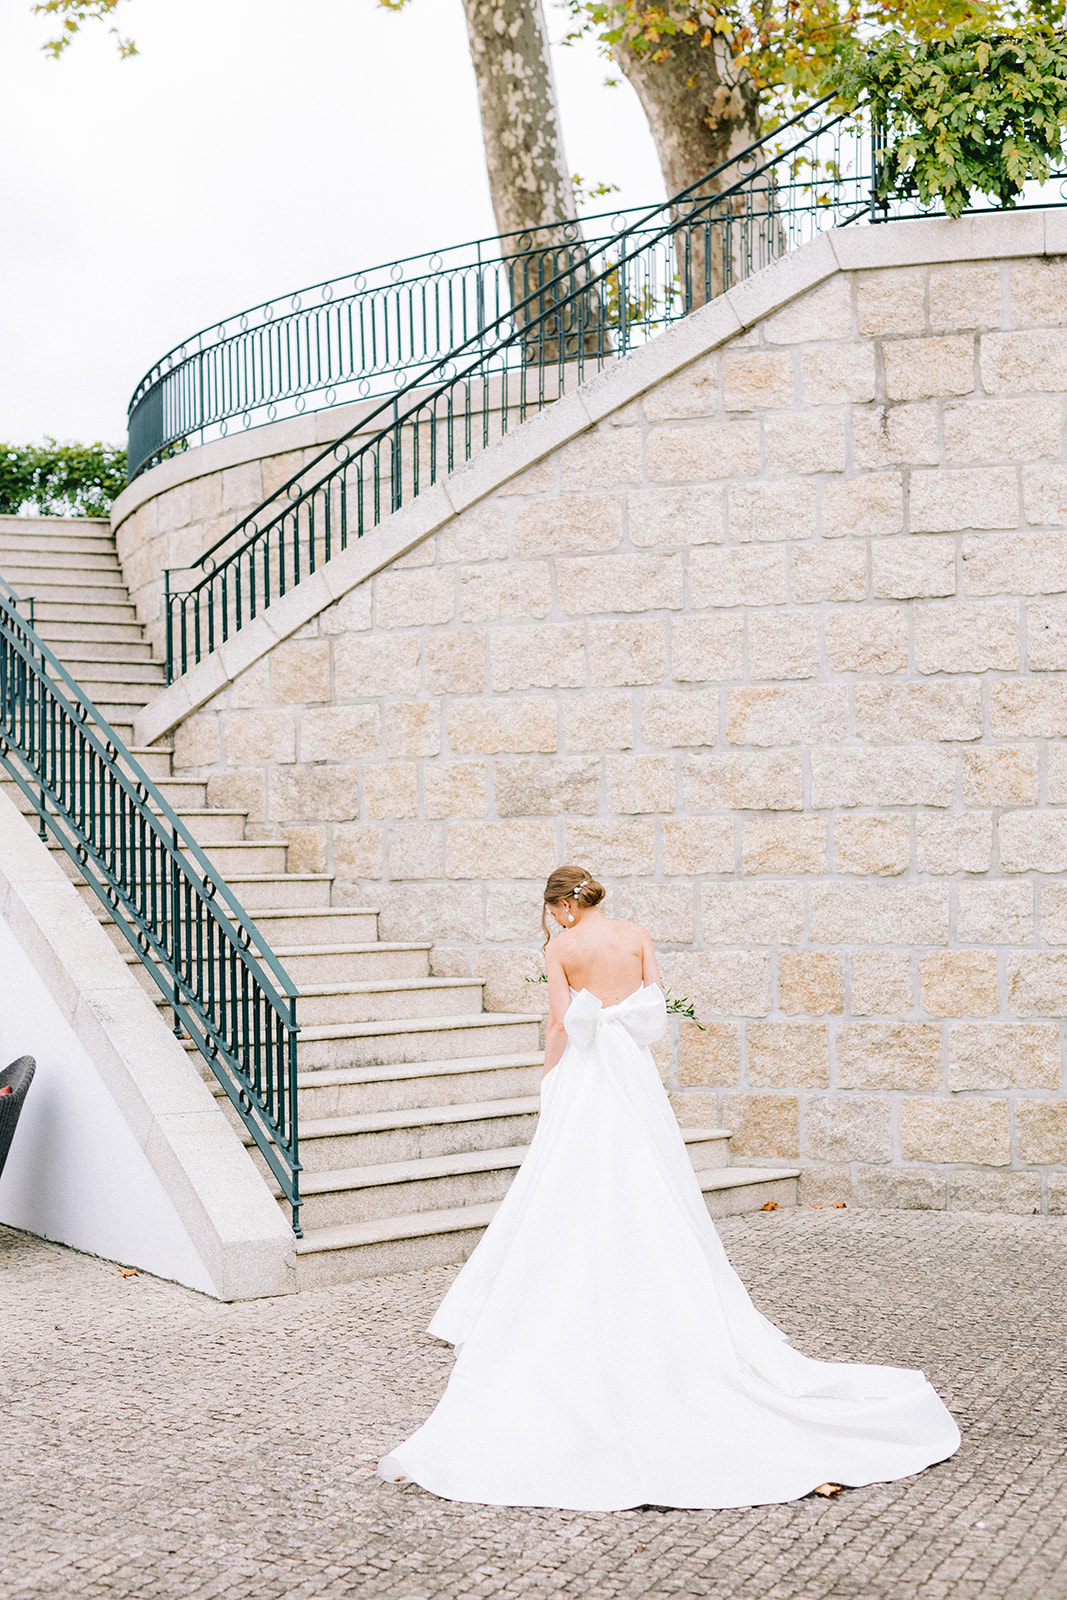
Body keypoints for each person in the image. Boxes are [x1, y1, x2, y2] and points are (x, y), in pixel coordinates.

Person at [377, 865, 960, 1511]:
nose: (555, 918)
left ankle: (574, 1275)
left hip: (589, 1075)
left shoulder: (561, 947)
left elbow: (561, 1026)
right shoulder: (635, 935)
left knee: (573, 1173)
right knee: (646, 1166)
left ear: (563, 905)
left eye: (553, 908)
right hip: (633, 1073)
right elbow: (651, 1004)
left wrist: (547, 1084)